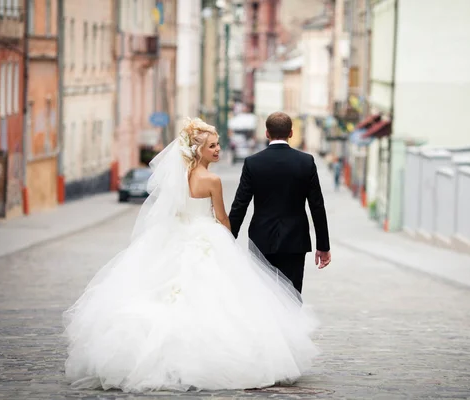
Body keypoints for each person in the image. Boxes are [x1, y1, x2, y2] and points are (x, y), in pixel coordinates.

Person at [63, 118, 319, 393]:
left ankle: (161, 361)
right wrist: (226, 238)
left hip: (176, 239)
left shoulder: (176, 180)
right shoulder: (211, 180)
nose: (218, 149)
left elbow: (171, 214)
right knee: (223, 303)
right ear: (199, 150)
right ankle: (208, 360)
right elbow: (222, 218)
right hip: (207, 239)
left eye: (218, 144)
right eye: (213, 145)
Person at [229, 112, 331, 295]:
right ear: (291, 133)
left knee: (262, 296)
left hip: (261, 238)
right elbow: (317, 205)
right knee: (291, 296)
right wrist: (323, 246)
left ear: (267, 133)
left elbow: (240, 204)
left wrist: (229, 238)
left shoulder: (253, 163)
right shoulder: (306, 162)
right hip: (294, 240)